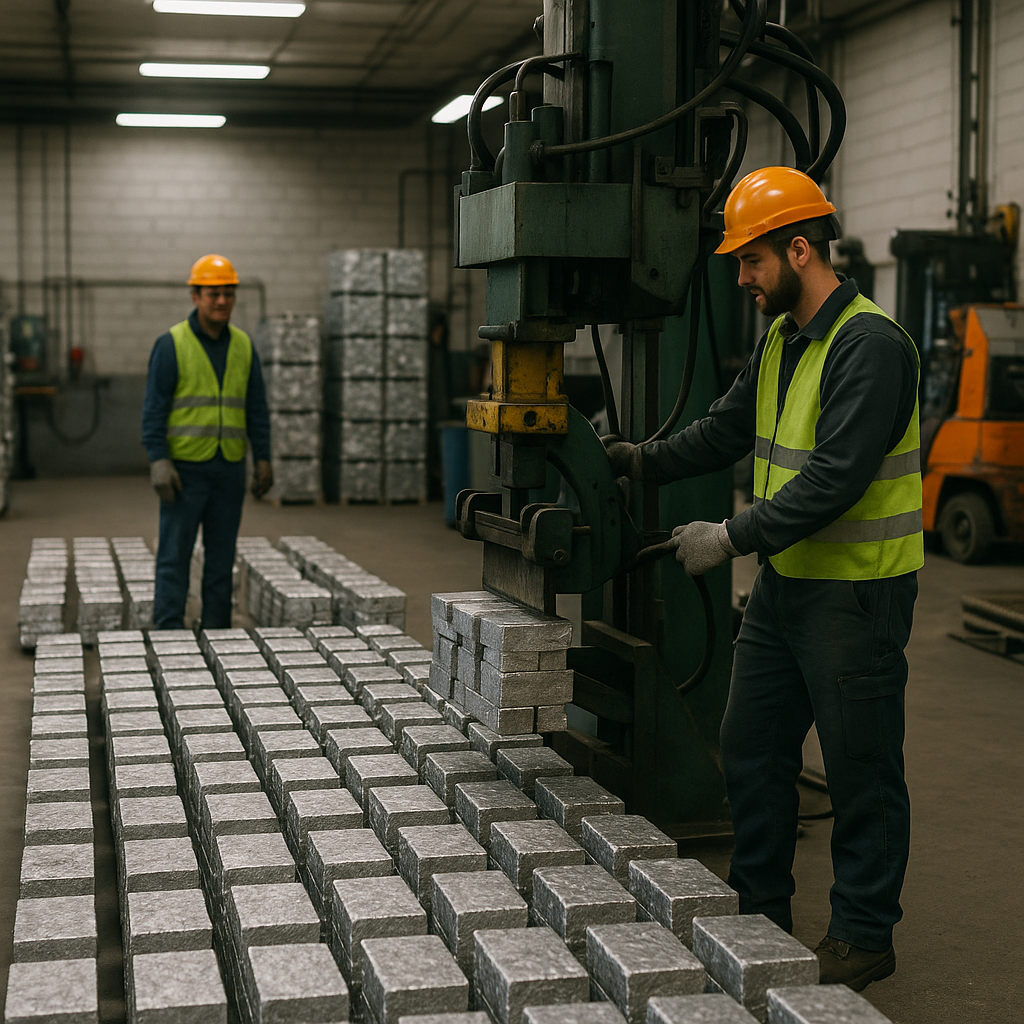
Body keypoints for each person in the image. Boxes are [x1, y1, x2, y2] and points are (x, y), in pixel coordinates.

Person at [607, 166, 922, 992]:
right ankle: (760, 917)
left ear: (799, 248)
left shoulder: (872, 346)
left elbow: (834, 480)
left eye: (750, 262)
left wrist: (730, 536)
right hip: (787, 592)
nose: (740, 278)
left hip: (857, 593)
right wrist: (638, 460)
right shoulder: (783, 339)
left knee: (860, 772)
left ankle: (862, 935)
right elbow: (725, 430)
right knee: (751, 752)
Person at [142, 253, 273, 631]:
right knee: (174, 555)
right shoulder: (171, 345)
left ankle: (217, 635)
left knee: (221, 558)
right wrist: (158, 460)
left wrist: (262, 458)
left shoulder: (244, 347)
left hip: (229, 469)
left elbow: (256, 409)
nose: (222, 301)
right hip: (185, 473)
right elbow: (153, 410)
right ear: (195, 296)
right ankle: (169, 634)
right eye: (213, 293)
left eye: (228, 294)